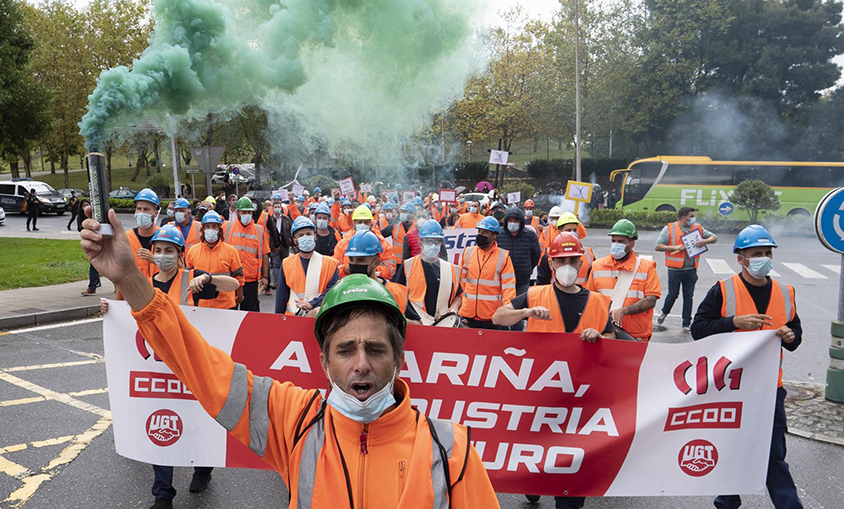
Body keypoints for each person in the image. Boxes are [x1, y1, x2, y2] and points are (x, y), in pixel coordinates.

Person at [81, 209, 499, 506]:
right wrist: (131, 280)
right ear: (322, 362)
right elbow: (195, 362)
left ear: (400, 359)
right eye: (345, 349)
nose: (361, 364)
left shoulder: (451, 450)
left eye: (375, 349)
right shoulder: (294, 421)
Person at [100, 225, 239, 509]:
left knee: (198, 421)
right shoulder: (143, 283)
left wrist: (208, 278)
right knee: (159, 424)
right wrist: (109, 312)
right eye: (159, 250)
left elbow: (233, 287)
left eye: (169, 251)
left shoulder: (192, 281)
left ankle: (203, 468)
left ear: (180, 255)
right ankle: (162, 494)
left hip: (192, 366)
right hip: (157, 368)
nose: (163, 255)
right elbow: (125, 314)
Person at [691, 225, 802, 509]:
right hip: (732, 389)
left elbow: (794, 335)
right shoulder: (723, 290)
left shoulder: (786, 292)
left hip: (769, 390)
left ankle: (789, 505)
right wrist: (733, 322)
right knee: (734, 448)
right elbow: (699, 329)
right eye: (756, 254)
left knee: (773, 453)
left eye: (767, 253)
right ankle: (727, 500)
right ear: (741, 258)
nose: (763, 258)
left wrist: (791, 336)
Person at [586, 219, 661, 341]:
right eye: (613, 241)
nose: (616, 244)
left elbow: (651, 300)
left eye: (621, 241)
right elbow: (591, 299)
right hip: (605, 333)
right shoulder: (597, 266)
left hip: (636, 336)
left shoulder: (647, 267)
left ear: (632, 243)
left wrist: (624, 310)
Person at [654, 207, 718, 332]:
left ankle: (686, 324)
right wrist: (675, 247)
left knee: (688, 297)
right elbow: (658, 246)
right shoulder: (670, 228)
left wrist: (704, 241)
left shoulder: (697, 228)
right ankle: (664, 313)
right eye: (691, 216)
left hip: (691, 269)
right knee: (673, 295)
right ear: (683, 217)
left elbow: (713, 238)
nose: (693, 218)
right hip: (675, 270)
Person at [343, 230, 422, 324]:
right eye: (351, 259)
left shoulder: (396, 293)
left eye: (361, 260)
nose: (354, 264)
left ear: (376, 262)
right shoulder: (342, 290)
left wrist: (394, 319)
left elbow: (418, 325)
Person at [392, 221, 462, 324]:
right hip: (417, 323)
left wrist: (454, 308)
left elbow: (458, 295)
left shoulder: (450, 269)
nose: (433, 245)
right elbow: (397, 295)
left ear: (441, 243)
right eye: (429, 241)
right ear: (421, 243)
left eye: (436, 241)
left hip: (443, 323)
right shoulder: (407, 266)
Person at [458, 217, 516, 330]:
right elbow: (461, 282)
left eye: (485, 232)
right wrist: (460, 305)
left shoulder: (503, 257)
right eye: (479, 231)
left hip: (491, 316)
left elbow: (508, 288)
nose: (480, 234)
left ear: (494, 236)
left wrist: (506, 311)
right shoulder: (468, 252)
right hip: (467, 314)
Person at [275, 217, 340, 315]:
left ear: (315, 236)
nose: (305, 237)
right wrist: (277, 320)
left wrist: (313, 303)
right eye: (301, 235)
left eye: (308, 234)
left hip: (320, 317)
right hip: (292, 318)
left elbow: (332, 290)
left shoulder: (330, 264)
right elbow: (281, 296)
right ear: (295, 240)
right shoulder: (286, 263)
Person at [185, 211, 244, 309]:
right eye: (207, 226)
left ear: (220, 229)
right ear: (202, 230)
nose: (210, 230)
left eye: (214, 226)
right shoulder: (193, 250)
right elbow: (188, 276)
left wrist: (240, 295)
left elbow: (239, 277)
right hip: (200, 305)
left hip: (225, 305)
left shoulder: (230, 251)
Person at [224, 197, 270, 311]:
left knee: (250, 314)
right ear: (238, 212)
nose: (247, 215)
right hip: (231, 279)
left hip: (251, 280)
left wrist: (265, 276)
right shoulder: (227, 227)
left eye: (249, 212)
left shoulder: (259, 230)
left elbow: (265, 254)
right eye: (244, 212)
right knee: (229, 311)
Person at [334, 205, 395, 279]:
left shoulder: (382, 244)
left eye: (366, 222)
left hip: (372, 285)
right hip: (349, 285)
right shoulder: (342, 244)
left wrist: (371, 269)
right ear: (353, 224)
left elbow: (390, 270)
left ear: (371, 224)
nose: (362, 224)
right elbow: (334, 271)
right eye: (359, 222)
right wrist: (345, 270)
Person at [536, 212, 595, 286]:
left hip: (582, 296)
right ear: (559, 232)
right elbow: (542, 284)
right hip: (555, 296)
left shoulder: (588, 253)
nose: (572, 233)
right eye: (568, 230)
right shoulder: (549, 255)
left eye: (574, 230)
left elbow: (593, 281)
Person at [497, 207, 541, 298]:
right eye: (510, 220)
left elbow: (536, 255)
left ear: (521, 222)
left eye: (516, 221)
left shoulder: (530, 235)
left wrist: (528, 268)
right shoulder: (499, 235)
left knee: (521, 307)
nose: (513, 223)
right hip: (502, 280)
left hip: (522, 280)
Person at [79, 199, 102, 297]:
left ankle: (93, 286)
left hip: (100, 241)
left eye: (88, 204)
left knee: (97, 265)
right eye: (84, 205)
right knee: (94, 265)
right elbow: (79, 228)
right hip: (91, 243)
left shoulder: (96, 216)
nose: (86, 207)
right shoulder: (81, 218)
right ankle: (93, 285)